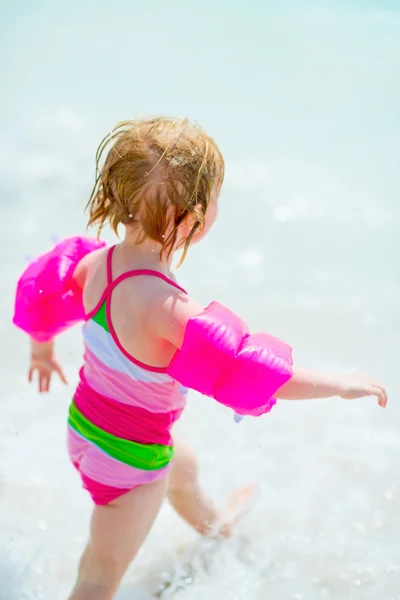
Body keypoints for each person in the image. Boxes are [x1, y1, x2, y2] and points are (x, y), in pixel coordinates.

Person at [15, 117, 387, 600]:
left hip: (87, 429)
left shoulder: (97, 264)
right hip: (129, 462)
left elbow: (47, 289)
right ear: (187, 219)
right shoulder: (166, 308)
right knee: (98, 575)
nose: (217, 210)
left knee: (182, 466)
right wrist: (339, 383)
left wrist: (41, 351)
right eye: (215, 201)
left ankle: (216, 528)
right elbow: (245, 366)